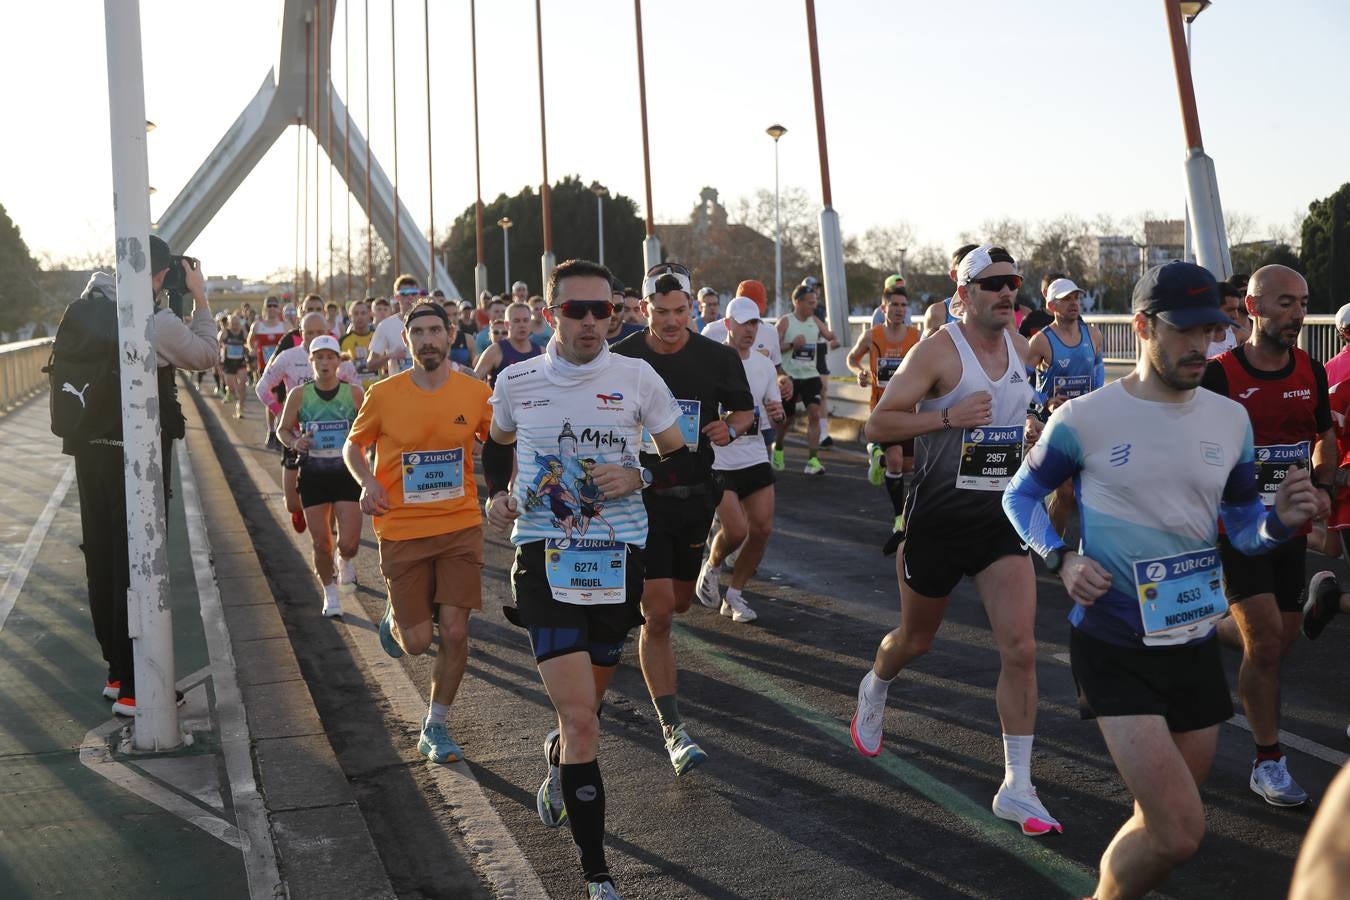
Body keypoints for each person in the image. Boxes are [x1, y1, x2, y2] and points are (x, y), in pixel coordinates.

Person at [1003, 260, 1318, 900]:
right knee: (1179, 832)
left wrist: (1279, 526)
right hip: (1114, 644)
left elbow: (1244, 531)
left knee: (1159, 821)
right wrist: (1061, 558)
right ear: (1143, 326)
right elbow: (1020, 496)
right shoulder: (1085, 418)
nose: (1201, 344)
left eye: (1210, 329)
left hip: (1194, 643)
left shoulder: (1229, 421)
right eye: (1185, 330)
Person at [485, 258, 686, 900]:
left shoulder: (638, 377)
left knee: (587, 709)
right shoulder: (517, 381)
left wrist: (640, 475)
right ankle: (598, 876)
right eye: (579, 310)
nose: (594, 321)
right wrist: (496, 494)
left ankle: (561, 763)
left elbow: (686, 460)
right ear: (552, 314)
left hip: (618, 560)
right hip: (544, 558)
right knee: (581, 721)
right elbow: (496, 444)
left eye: (606, 310)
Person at [849, 245, 1061, 836]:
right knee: (915, 640)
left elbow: (1016, 419)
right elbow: (877, 425)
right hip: (938, 521)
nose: (1007, 291)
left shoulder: (1021, 347)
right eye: (993, 283)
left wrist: (1031, 430)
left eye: (1013, 281)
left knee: (1021, 648)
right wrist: (947, 418)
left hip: (999, 520)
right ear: (964, 294)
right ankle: (876, 684)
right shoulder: (937, 351)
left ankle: (1018, 786)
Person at [611, 261, 754, 775]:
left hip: (693, 497)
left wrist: (730, 430)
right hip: (639, 499)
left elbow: (744, 412)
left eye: (679, 310)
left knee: (677, 604)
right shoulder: (622, 357)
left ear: (691, 307)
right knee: (659, 615)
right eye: (661, 311)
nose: (671, 321)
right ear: (644, 308)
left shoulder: (718, 357)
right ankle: (673, 728)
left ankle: (630, 609)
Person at [1199, 264, 1332, 808]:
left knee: (1281, 639)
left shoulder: (1311, 370)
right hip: (1236, 530)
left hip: (1289, 529)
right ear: (1252, 308)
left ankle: (1203, 620)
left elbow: (1323, 438)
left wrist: (1322, 483)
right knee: (1267, 643)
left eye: (1303, 303)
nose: (1298, 313)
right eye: (1285, 302)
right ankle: (1268, 760)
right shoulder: (1219, 376)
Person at [71, 237, 218, 714]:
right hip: (135, 452)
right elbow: (205, 355)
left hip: (88, 448)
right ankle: (139, 687)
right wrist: (200, 298)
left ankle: (117, 672)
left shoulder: (89, 306)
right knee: (140, 560)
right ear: (159, 273)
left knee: (102, 557)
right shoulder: (155, 320)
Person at [344, 300, 493, 765]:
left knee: (455, 630)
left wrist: (505, 487)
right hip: (402, 528)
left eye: (435, 331)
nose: (428, 340)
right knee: (416, 643)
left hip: (460, 525)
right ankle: (397, 616)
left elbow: (502, 441)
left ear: (450, 335)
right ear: (406, 341)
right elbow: (354, 446)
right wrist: (367, 482)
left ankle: (436, 725)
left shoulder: (475, 393)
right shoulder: (384, 394)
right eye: (419, 333)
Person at [693, 297, 785, 622]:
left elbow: (774, 415)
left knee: (762, 529)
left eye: (754, 323)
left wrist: (778, 412)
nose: (749, 330)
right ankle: (712, 565)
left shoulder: (763, 364)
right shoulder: (709, 361)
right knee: (735, 531)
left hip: (754, 455)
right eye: (743, 323)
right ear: (728, 324)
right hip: (718, 459)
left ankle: (734, 595)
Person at [276, 335, 365, 617]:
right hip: (313, 474)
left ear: (339, 361)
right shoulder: (299, 395)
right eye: (319, 358)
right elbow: (282, 429)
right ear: (311, 361)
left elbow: (370, 428)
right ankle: (330, 595)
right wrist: (295, 442)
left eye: (330, 357)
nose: (325, 363)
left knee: (349, 542)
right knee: (321, 543)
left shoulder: (354, 393)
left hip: (347, 473)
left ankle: (344, 559)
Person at [256, 312, 360, 533]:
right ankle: (302, 510)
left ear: (328, 332)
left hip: (333, 440)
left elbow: (358, 394)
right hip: (295, 436)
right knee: (293, 503)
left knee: (330, 502)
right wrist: (281, 412)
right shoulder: (287, 357)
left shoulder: (338, 359)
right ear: (300, 333)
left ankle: (327, 538)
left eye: (320, 332)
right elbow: (262, 387)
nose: (315, 336)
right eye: (309, 332)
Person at [1026, 277, 1106, 534]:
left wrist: (1099, 402)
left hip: (1087, 422)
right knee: (1066, 491)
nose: (1074, 303)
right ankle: (1052, 545)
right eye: (1066, 299)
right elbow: (1018, 382)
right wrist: (1044, 402)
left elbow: (1099, 376)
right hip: (1054, 424)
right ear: (1051, 306)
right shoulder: (1041, 340)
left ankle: (1080, 546)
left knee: (1091, 492)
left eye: (1076, 298)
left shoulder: (1093, 334)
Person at [847, 280, 920, 553]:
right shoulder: (872, 336)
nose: (899, 310)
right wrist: (860, 373)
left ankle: (875, 454)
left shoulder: (916, 337)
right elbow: (852, 358)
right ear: (883, 308)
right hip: (883, 410)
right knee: (896, 460)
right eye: (894, 305)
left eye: (903, 305)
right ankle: (899, 517)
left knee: (909, 465)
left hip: (910, 410)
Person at [774, 283, 834, 474]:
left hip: (810, 375)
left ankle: (813, 461)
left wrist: (833, 338)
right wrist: (792, 344)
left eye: (815, 302)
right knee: (787, 419)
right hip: (789, 377)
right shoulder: (785, 321)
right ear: (798, 302)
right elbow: (773, 348)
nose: (814, 306)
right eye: (810, 303)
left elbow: (830, 336)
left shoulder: (814, 320)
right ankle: (778, 448)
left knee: (815, 414)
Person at [248, 296, 289, 448]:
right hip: (265, 369)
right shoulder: (258, 325)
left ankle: (279, 431)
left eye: (274, 305)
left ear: (278, 308)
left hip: (283, 369)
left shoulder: (285, 325)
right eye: (269, 305)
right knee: (272, 399)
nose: (272, 308)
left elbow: (293, 342)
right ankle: (272, 431)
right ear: (265, 308)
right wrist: (253, 350)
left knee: (282, 400)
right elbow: (249, 340)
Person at [473, 300, 543, 387]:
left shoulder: (541, 352)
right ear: (507, 324)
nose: (522, 325)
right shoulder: (495, 351)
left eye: (525, 320)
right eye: (517, 321)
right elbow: (472, 383)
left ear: (531, 323)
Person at [920, 244, 981, 339]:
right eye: (969, 269)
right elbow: (923, 348)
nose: (974, 275)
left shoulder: (996, 309)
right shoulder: (938, 312)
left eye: (979, 269)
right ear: (954, 275)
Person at [368, 274, 423, 376]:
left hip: (426, 384)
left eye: (413, 293)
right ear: (397, 297)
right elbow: (370, 365)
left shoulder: (428, 322)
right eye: (404, 293)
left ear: (419, 295)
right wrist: (390, 355)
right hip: (399, 384)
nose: (410, 297)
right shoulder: (385, 326)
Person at [339, 298, 378, 389]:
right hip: (354, 391)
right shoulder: (343, 341)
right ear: (350, 317)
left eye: (363, 313)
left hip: (377, 389)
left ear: (369, 315)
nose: (360, 317)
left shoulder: (378, 337)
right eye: (356, 314)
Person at [1206, 281, 1247, 358]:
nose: (1236, 316)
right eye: (1230, 310)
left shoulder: (1237, 333)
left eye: (1237, 310)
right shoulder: (1191, 344)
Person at [219, 313, 249, 419]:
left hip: (241, 362)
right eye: (233, 323)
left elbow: (248, 342)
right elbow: (218, 344)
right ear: (229, 323)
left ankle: (240, 409)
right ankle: (229, 392)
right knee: (231, 387)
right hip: (228, 363)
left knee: (242, 387)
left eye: (237, 323)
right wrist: (219, 358)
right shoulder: (225, 333)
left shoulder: (242, 332)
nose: (235, 326)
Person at [1017, 273, 1056, 340]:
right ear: (1045, 292)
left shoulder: (1073, 320)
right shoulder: (1032, 319)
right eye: (1056, 289)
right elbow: (1019, 343)